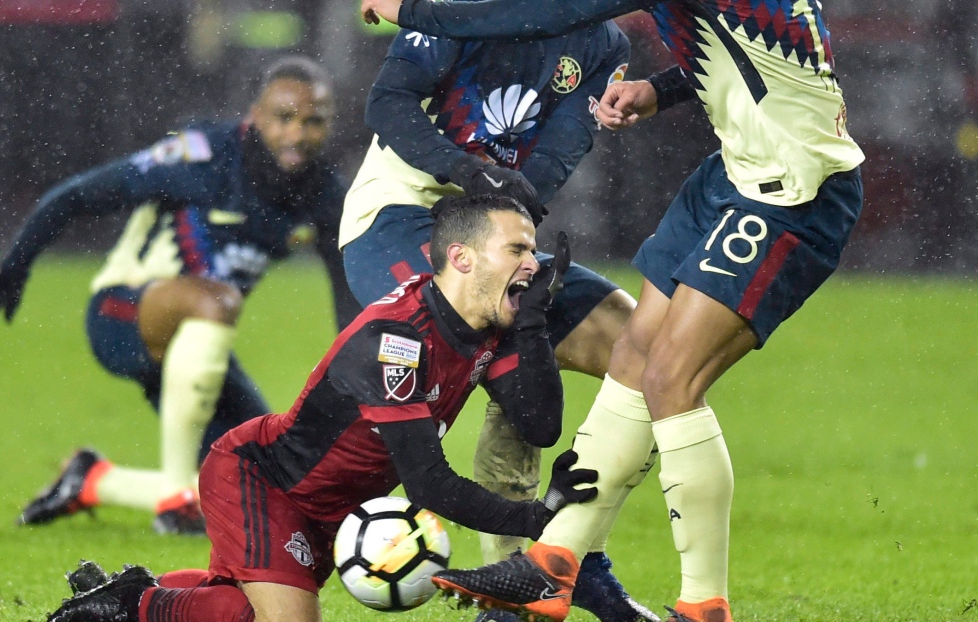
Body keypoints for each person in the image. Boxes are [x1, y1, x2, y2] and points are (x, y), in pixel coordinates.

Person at [357, 1, 866, 621]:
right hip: (731, 176)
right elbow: (743, 51)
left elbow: (544, 15)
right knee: (629, 356)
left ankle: (696, 604)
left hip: (792, 190)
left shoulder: (592, 39)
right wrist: (660, 88)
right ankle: (549, 563)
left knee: (666, 379)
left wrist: (406, 7)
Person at [44, 194, 600, 622]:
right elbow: (429, 483)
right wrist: (534, 516)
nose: (535, 262)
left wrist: (532, 323)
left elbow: (539, 424)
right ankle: (132, 605)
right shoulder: (398, 341)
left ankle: (135, 591)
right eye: (519, 249)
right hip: (262, 481)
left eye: (533, 249)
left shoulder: (488, 324)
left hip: (331, 509)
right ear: (461, 257)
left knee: (236, 603)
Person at [0, 56, 361, 535]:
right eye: (284, 118)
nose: (297, 134)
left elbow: (346, 295)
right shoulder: (201, 155)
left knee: (268, 482)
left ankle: (93, 481)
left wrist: (355, 375)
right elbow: (75, 195)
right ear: (256, 115)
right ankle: (176, 502)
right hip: (122, 314)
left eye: (313, 121)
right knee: (219, 300)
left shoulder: (327, 193)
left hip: (197, 350)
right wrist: (10, 270)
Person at [341, 16, 655, 622]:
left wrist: (510, 202)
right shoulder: (464, 6)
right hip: (399, 216)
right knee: (510, 342)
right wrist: (467, 170)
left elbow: (564, 145)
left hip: (498, 222)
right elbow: (388, 104)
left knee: (652, 355)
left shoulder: (604, 43)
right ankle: (512, 592)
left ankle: (571, 556)